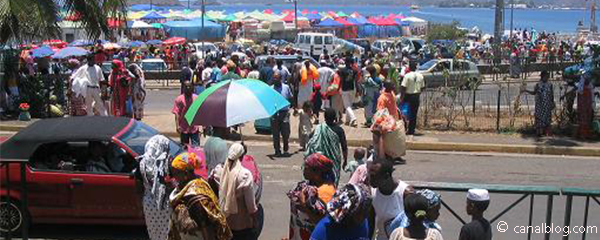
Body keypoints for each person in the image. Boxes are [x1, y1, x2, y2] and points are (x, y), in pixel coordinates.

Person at [168, 152, 233, 240]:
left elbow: (206, 227)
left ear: (186, 174)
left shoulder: (195, 197)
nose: (174, 177)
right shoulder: (194, 182)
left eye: (176, 173)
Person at [288, 153, 336, 240]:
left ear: (317, 173)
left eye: (306, 168)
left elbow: (321, 221)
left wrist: (303, 204)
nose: (303, 170)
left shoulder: (325, 192)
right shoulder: (309, 185)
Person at [219, 143, 259, 240]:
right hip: (241, 224)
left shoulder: (219, 171)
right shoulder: (245, 175)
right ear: (241, 157)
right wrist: (255, 220)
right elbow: (251, 206)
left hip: (224, 221)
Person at [137, 135, 172, 240]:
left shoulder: (141, 164)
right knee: (168, 232)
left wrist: (140, 206)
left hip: (149, 203)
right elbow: (170, 184)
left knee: (154, 232)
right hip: (164, 203)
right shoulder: (166, 164)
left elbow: (138, 188)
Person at [368, 156, 413, 240]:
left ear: (386, 176)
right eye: (369, 175)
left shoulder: (405, 193)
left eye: (374, 176)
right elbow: (371, 223)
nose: (370, 179)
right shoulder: (372, 193)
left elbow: (415, 223)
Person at [305, 108, 348, 186]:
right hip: (333, 161)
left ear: (324, 117)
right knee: (332, 182)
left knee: (318, 180)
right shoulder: (339, 130)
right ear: (335, 118)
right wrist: (345, 160)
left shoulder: (319, 128)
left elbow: (311, 139)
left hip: (319, 160)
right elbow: (344, 147)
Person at [522, 70, 554, 137]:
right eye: (546, 76)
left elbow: (551, 94)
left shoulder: (550, 85)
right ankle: (539, 132)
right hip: (540, 105)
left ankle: (547, 132)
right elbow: (534, 93)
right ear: (542, 76)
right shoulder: (538, 85)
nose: (547, 78)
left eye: (548, 76)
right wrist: (525, 90)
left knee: (547, 119)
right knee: (539, 118)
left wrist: (552, 102)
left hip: (547, 105)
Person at [400, 62, 425, 137]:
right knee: (414, 114)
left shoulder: (407, 76)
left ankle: (404, 128)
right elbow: (423, 87)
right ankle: (411, 130)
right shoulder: (420, 76)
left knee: (404, 113)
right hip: (416, 96)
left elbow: (403, 87)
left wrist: (402, 97)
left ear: (409, 67)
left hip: (408, 96)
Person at [172, 81, 200, 147]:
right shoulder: (179, 99)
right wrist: (177, 126)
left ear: (192, 88)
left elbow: (200, 112)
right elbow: (177, 114)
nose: (188, 88)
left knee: (196, 148)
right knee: (184, 149)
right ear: (183, 88)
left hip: (194, 127)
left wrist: (203, 126)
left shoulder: (196, 98)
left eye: (189, 86)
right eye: (186, 86)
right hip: (183, 127)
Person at [272, 72, 293, 156]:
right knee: (275, 134)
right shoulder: (271, 89)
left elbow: (290, 97)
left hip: (285, 113)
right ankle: (277, 150)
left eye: (276, 78)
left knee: (286, 132)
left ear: (280, 79)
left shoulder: (286, 87)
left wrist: (292, 107)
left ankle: (285, 149)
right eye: (274, 78)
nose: (275, 80)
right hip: (275, 113)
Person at [339, 59, 358, 127]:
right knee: (349, 105)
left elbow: (341, 80)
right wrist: (358, 90)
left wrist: (338, 88)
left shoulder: (342, 71)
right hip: (352, 89)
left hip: (345, 89)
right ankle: (347, 120)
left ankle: (353, 118)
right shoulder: (354, 70)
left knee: (347, 106)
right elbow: (356, 81)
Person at [576, 72, 595, 139]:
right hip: (582, 107)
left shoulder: (590, 86)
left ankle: (587, 133)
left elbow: (592, 96)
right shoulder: (580, 87)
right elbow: (580, 94)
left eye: (588, 79)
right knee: (582, 120)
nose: (588, 80)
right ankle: (582, 134)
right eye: (586, 78)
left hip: (588, 106)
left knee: (588, 119)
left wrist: (592, 104)